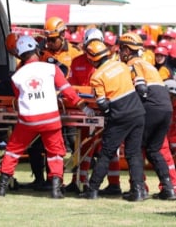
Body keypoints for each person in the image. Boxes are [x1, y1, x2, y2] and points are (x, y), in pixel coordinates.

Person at [0, 35, 86, 199]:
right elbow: (67, 90)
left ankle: (2, 186)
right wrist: (82, 105)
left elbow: (18, 97)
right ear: (36, 49)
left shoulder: (16, 76)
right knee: (55, 153)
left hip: (27, 120)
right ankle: (56, 188)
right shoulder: (51, 69)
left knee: (13, 151)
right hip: (50, 119)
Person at [79, 39, 147, 201]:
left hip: (120, 115)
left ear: (91, 59)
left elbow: (102, 104)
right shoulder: (121, 65)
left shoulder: (96, 77)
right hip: (138, 112)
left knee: (106, 153)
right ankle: (137, 190)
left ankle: (93, 189)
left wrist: (109, 113)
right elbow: (138, 84)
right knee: (134, 153)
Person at [118, 32, 176, 200]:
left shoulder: (133, 64)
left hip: (151, 107)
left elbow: (141, 88)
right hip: (165, 108)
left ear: (127, 50)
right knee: (153, 150)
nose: (120, 53)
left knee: (133, 149)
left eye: (121, 49)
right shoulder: (148, 64)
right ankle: (169, 188)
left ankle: (138, 190)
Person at [65, 28, 122, 196]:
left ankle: (114, 184)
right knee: (83, 146)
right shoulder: (77, 62)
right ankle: (79, 181)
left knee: (110, 147)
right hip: (85, 109)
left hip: (105, 109)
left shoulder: (109, 63)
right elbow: (73, 86)